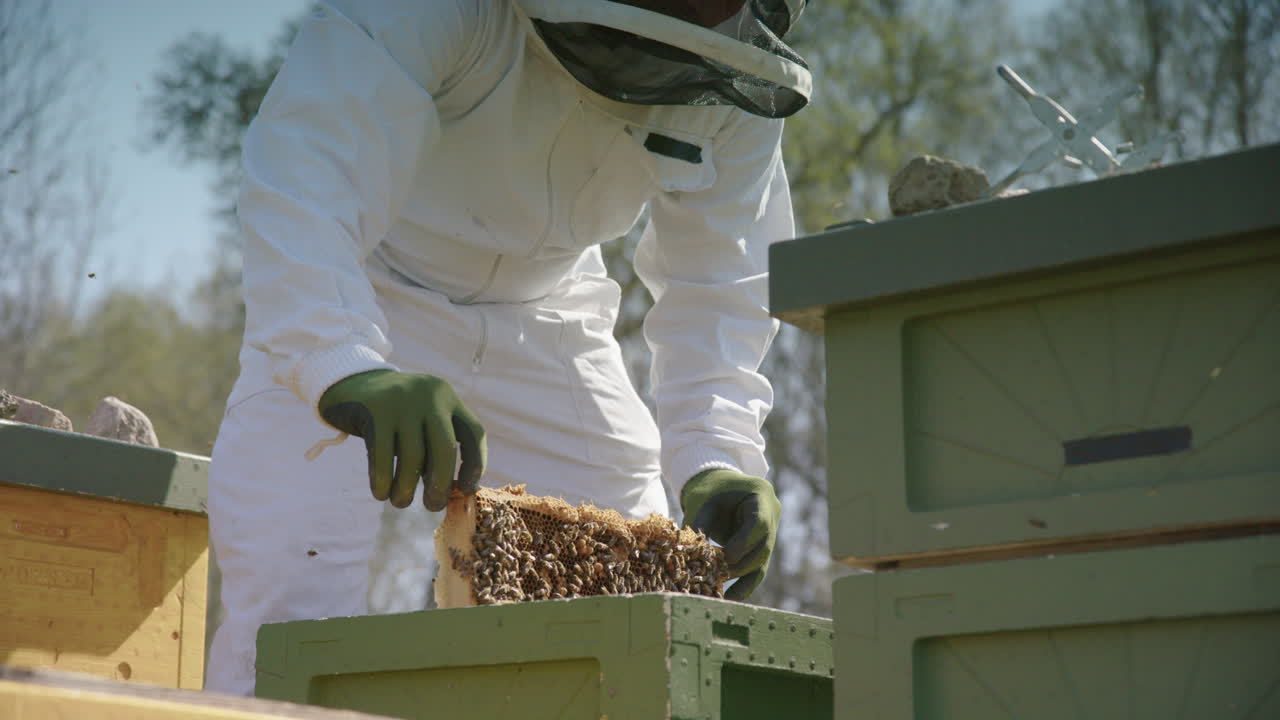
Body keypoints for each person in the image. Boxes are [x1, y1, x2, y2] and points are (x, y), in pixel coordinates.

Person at [206, 0, 810, 696]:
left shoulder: (737, 73)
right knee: (286, 597)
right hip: (367, 286)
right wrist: (342, 360)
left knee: (641, 604)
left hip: (549, 314)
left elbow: (722, 281)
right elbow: (308, 165)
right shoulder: (440, 13)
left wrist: (717, 453)